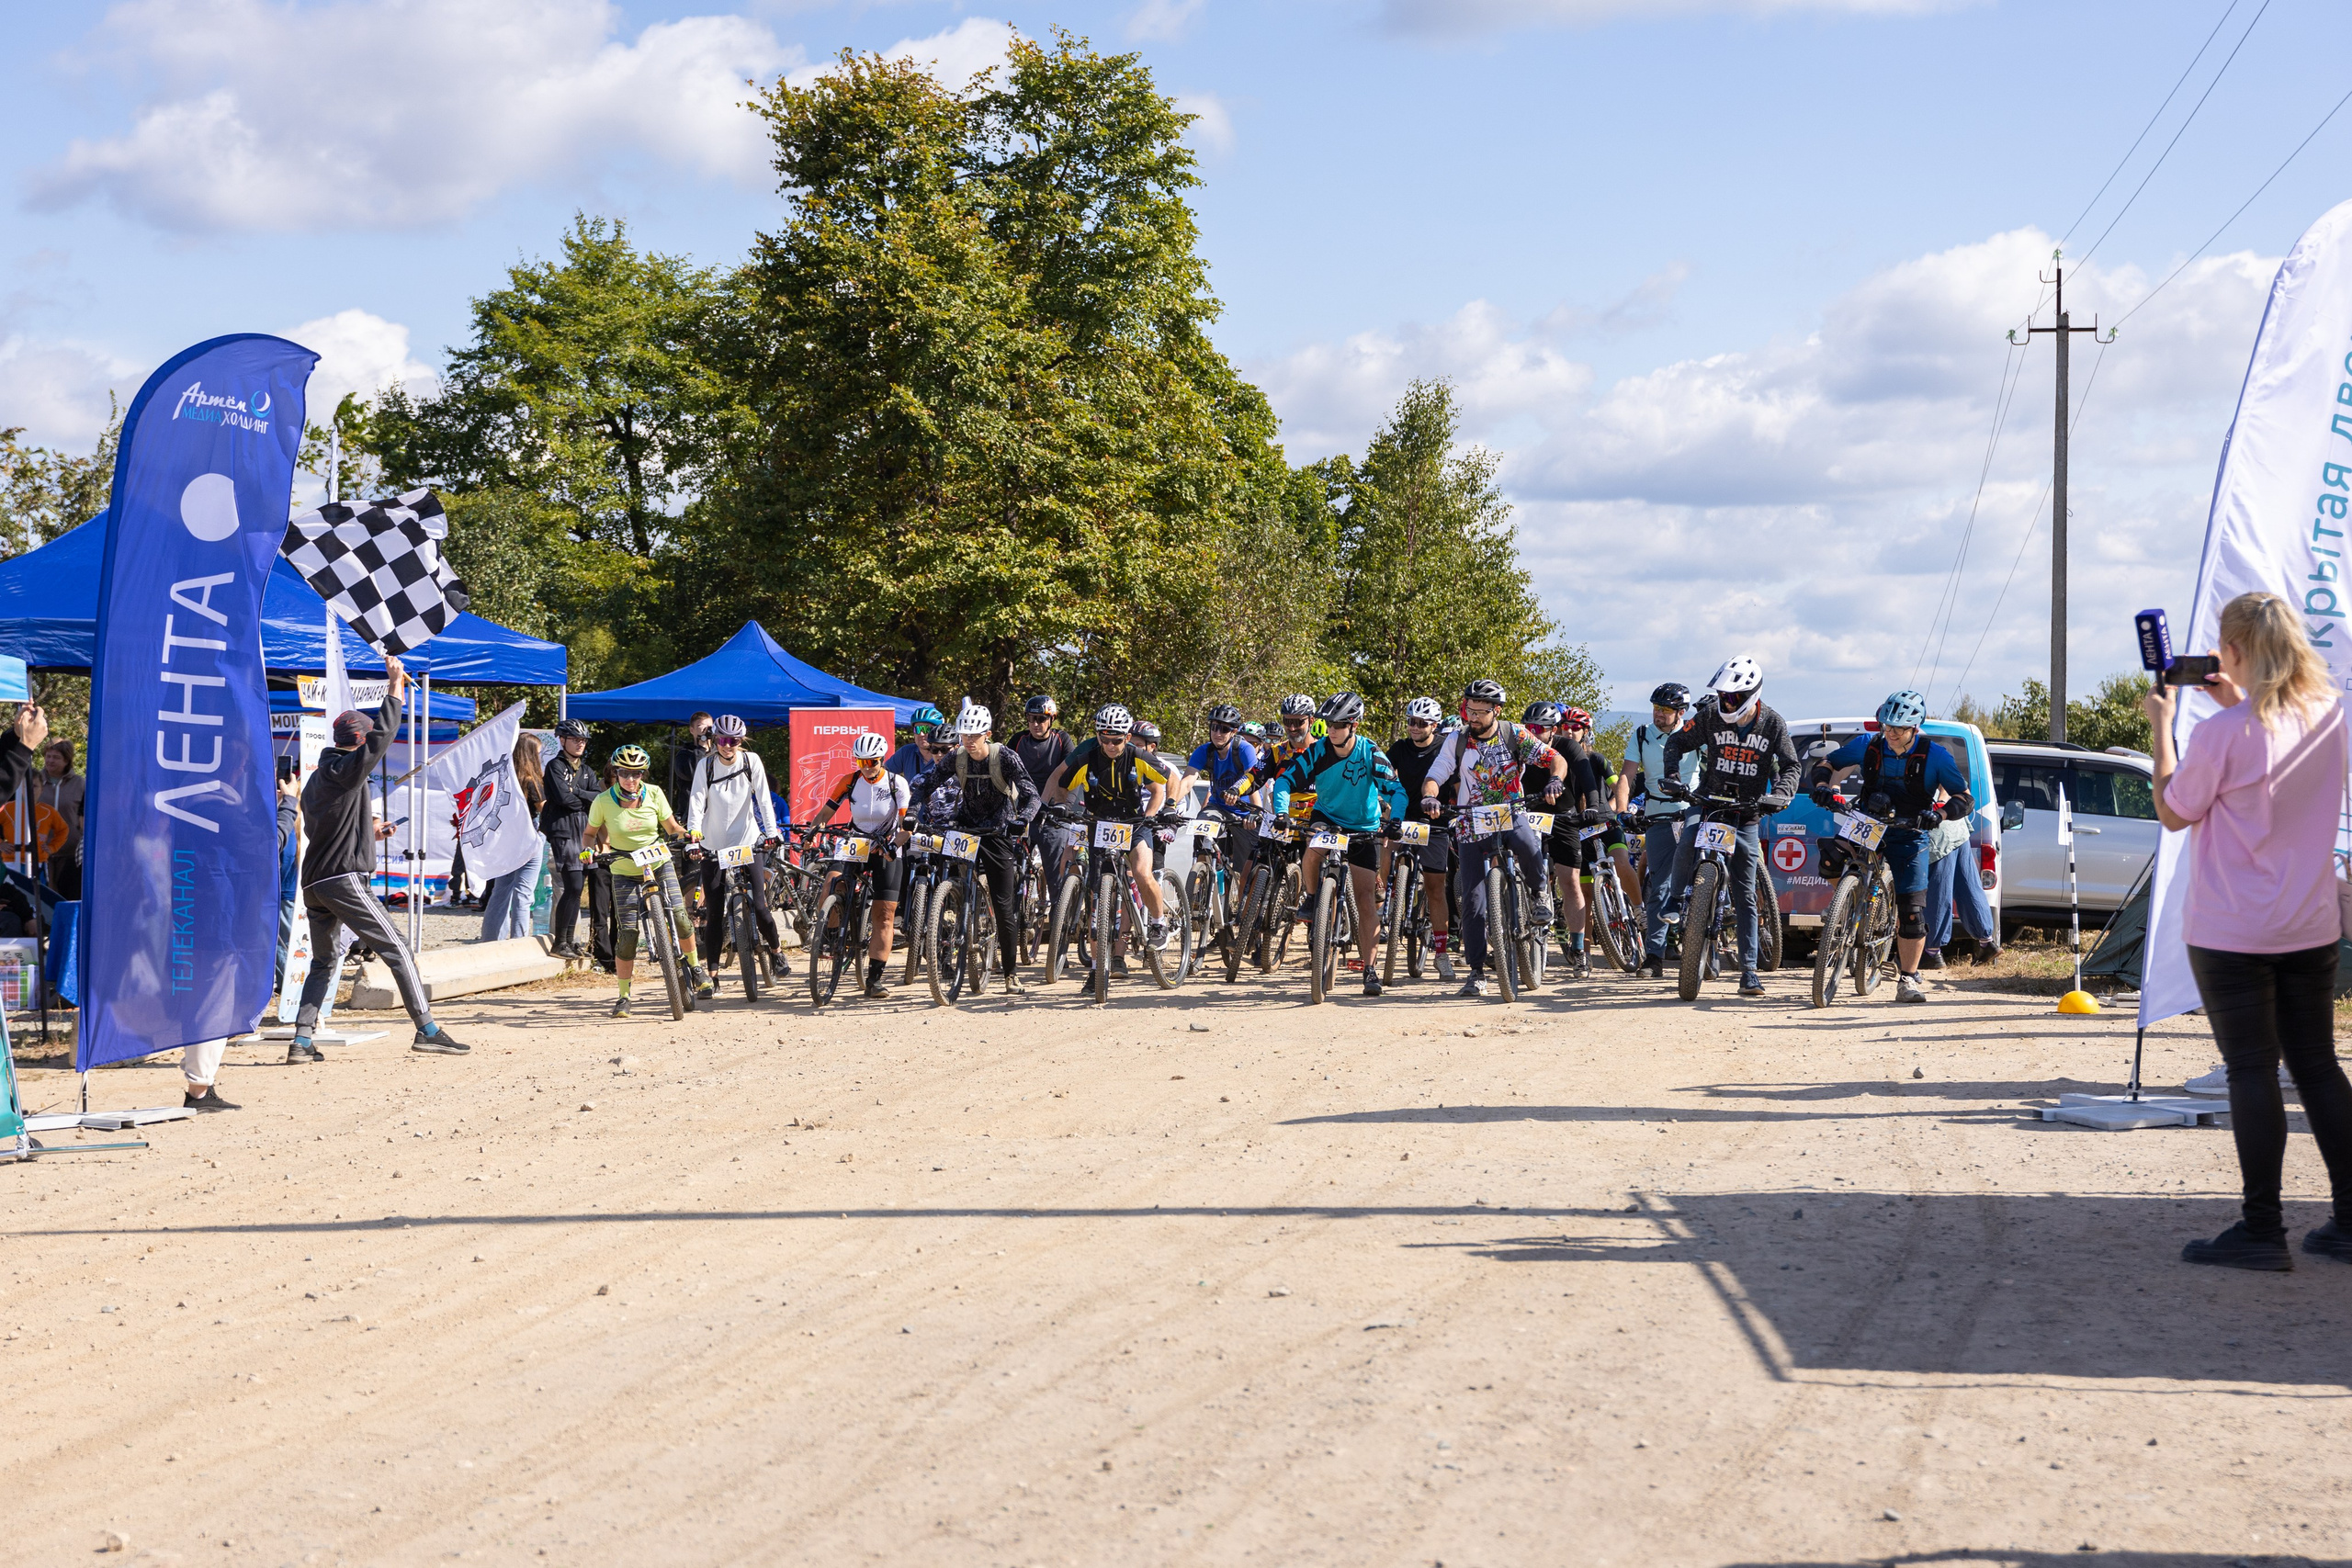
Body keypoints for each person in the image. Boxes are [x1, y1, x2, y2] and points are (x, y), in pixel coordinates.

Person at [2145, 591, 2352, 1271]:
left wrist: (2161, 727)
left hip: (2233, 927)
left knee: (2251, 1069)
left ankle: (2264, 1229)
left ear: (2234, 650)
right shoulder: (2332, 716)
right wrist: (2236, 697)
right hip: (2311, 920)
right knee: (2318, 1066)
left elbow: (2176, 811)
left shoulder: (2220, 732)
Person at [290, 656, 466, 1061]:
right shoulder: (347, 769)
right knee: (399, 949)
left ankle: (301, 1041)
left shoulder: (320, 777)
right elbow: (382, 735)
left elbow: (331, 830)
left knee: (324, 961)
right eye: (365, 743)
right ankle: (428, 1029)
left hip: (316, 881)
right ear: (357, 741)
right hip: (343, 879)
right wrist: (394, 686)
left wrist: (372, 832)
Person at [1805, 689, 1972, 1003]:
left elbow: (1964, 798)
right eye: (1887, 726)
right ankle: (1847, 901)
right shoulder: (1869, 745)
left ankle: (1908, 979)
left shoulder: (1936, 756)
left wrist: (1938, 814)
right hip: (1867, 820)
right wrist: (1824, 786)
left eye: (1899, 728)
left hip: (1910, 831)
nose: (1891, 734)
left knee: (1912, 912)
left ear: (1915, 728)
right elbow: (1826, 763)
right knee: (1830, 861)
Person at [1661, 655, 1799, 998]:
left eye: (1734, 697)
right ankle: (1676, 902)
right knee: (1689, 835)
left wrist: (1780, 794)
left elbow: (1791, 766)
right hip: (1709, 802)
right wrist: (1673, 779)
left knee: (1745, 892)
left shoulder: (1773, 724)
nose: (1727, 701)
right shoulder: (1708, 716)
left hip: (1748, 812)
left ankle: (1749, 972)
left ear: (1752, 696)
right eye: (1723, 695)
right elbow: (1677, 743)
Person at [1419, 679, 1566, 998]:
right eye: (1469, 709)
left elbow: (1556, 758)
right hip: (1471, 821)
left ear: (1495, 710)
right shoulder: (1456, 740)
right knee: (1472, 901)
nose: (1472, 716)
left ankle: (1540, 893)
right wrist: (1430, 798)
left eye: (1479, 711)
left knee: (1528, 844)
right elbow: (1436, 775)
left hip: (1510, 811)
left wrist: (1555, 780)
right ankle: (1476, 971)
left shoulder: (1514, 734)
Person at [1269, 692, 1405, 996]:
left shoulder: (1370, 752)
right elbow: (1285, 781)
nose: (1332, 730)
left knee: (1366, 897)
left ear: (1354, 725)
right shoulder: (1318, 751)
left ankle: (1370, 969)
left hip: (1363, 826)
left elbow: (1396, 790)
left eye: (1339, 725)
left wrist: (1395, 820)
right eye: (1329, 724)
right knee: (1313, 851)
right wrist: (1280, 812)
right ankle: (1315, 898)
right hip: (1327, 817)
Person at [907, 705, 1039, 993]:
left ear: (987, 734)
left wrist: (1022, 820)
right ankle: (953, 923)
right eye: (965, 734)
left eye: (975, 735)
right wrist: (911, 813)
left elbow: (1031, 795)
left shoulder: (1004, 757)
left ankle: (1010, 973)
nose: (969, 740)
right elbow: (925, 785)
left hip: (997, 831)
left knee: (1004, 904)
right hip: (965, 828)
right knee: (948, 883)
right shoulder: (956, 757)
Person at [584, 743, 715, 1014]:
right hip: (623, 868)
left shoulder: (654, 794)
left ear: (643, 774)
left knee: (680, 915)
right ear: (615, 772)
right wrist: (588, 849)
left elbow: (671, 827)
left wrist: (685, 834)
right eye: (624, 773)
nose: (631, 779)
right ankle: (623, 996)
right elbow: (589, 833)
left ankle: (696, 969)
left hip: (657, 862)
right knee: (629, 934)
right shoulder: (602, 801)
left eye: (637, 773)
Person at [1045, 705, 1173, 948]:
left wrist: (1169, 807)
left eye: (1116, 740)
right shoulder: (1087, 759)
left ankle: (1158, 922)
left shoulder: (1138, 756)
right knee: (1096, 888)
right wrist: (1060, 804)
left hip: (1134, 822)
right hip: (1100, 823)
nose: (1111, 746)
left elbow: (1170, 780)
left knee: (1142, 873)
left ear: (1126, 737)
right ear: (1098, 736)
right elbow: (1062, 782)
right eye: (1105, 740)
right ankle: (1096, 969)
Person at [812, 731, 912, 998]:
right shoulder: (849, 781)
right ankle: (833, 936)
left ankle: (875, 979)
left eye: (872, 762)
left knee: (884, 914)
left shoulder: (896, 783)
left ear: (882, 759)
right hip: (856, 842)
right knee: (832, 884)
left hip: (886, 846)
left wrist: (894, 845)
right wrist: (815, 828)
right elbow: (827, 811)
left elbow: (905, 827)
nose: (867, 768)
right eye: (861, 762)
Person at [687, 714, 783, 976]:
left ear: (741, 740)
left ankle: (776, 951)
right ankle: (713, 975)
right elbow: (696, 804)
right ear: (714, 738)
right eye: (721, 739)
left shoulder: (751, 761)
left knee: (761, 907)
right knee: (715, 912)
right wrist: (693, 838)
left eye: (734, 740)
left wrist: (771, 833)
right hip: (713, 844)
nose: (727, 745)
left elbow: (764, 800)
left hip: (746, 840)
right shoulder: (705, 766)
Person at [1621, 682, 1700, 980]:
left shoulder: (1694, 734)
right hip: (1659, 818)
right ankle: (1654, 958)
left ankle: (1711, 948)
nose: (1659, 714)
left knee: (1707, 876)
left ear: (1681, 712)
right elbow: (1627, 776)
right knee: (1658, 887)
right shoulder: (1642, 735)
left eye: (1665, 710)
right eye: (1656, 708)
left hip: (1693, 813)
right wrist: (1622, 808)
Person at [1384, 695, 1457, 981]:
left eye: (1421, 723)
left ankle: (1441, 953)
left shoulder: (1444, 748)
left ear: (1434, 725)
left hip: (1435, 822)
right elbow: (1384, 775)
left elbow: (1457, 781)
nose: (1414, 727)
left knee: (1436, 888)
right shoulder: (1400, 748)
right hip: (1404, 817)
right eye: (1411, 722)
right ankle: (1383, 891)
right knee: (1384, 841)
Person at [480, 735, 548, 942]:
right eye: (538, 752)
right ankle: (519, 942)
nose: (540, 756)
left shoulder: (505, 778)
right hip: (529, 839)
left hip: (506, 841)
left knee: (500, 892)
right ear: (530, 754)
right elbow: (542, 808)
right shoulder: (532, 780)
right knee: (523, 894)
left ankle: (491, 941)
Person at [540, 718, 599, 958]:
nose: (580, 744)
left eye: (583, 740)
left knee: (577, 888)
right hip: (563, 831)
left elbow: (598, 797)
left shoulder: (587, 771)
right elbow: (563, 799)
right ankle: (559, 942)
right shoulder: (555, 766)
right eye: (575, 739)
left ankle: (571, 941)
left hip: (584, 831)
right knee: (572, 885)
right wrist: (580, 798)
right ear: (562, 740)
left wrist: (579, 793)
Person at [1189, 703, 1261, 874]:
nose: (1217, 733)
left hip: (1244, 812)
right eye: (1214, 727)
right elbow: (1187, 781)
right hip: (1218, 807)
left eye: (1223, 729)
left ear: (1234, 732)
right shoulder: (1204, 751)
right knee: (1201, 827)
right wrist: (1170, 804)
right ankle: (1200, 880)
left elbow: (1253, 781)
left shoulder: (1244, 749)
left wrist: (1256, 812)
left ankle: (1244, 897)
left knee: (1248, 871)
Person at [36, 740, 83, 901]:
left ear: (66, 761)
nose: (50, 761)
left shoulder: (80, 784)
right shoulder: (34, 781)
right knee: (44, 898)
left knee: (67, 897)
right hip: (40, 851)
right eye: (48, 756)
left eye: (56, 757)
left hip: (69, 852)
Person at [888, 705, 948, 781]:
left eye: (926, 729)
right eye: (917, 729)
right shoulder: (906, 752)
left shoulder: (948, 753)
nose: (921, 734)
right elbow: (883, 776)